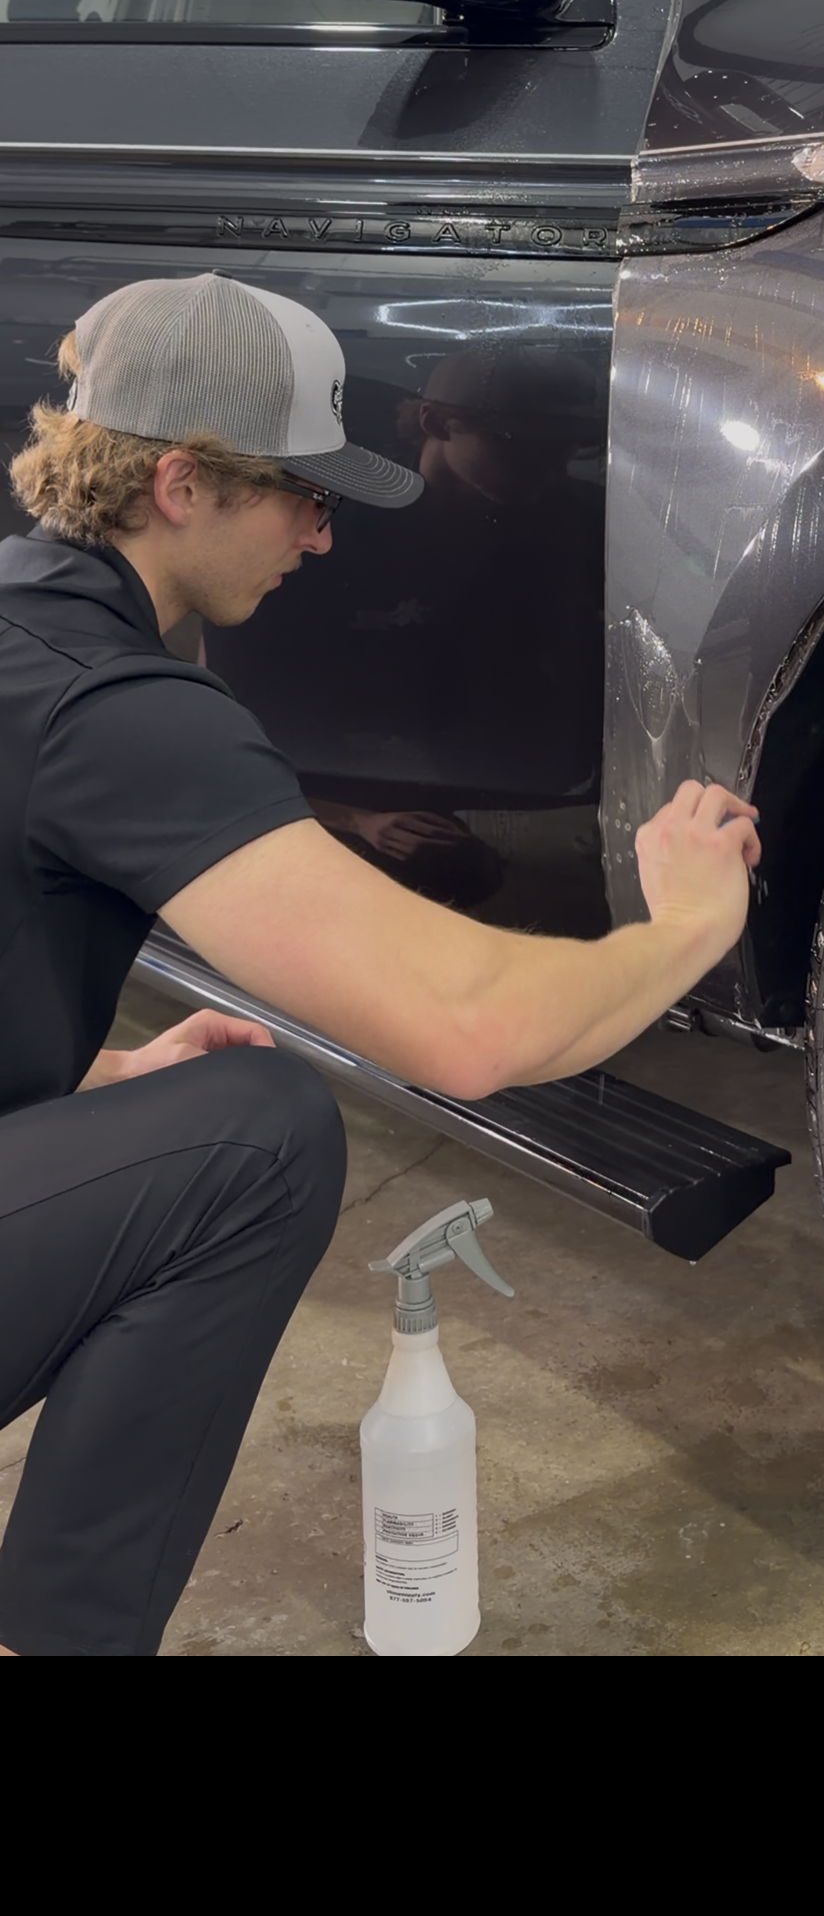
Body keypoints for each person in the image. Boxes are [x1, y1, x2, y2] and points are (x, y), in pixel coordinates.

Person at [0, 272, 759, 1657]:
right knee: (266, 1138)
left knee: (191, 1111)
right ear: (180, 483)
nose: (321, 538)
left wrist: (93, 1072)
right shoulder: (118, 706)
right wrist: (686, 928)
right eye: (304, 495)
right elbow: (464, 1027)